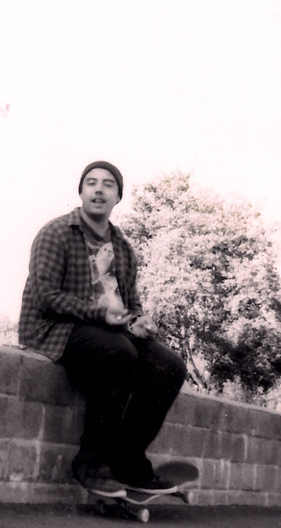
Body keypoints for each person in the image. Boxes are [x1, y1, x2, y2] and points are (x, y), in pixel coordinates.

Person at [18, 161, 187, 497]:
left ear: (118, 196)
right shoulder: (55, 233)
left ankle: (127, 460)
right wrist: (100, 314)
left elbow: (131, 303)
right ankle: (91, 463)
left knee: (170, 366)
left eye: (108, 184)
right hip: (56, 327)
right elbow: (46, 297)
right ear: (81, 192)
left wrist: (138, 321)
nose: (98, 189)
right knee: (118, 352)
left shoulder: (123, 247)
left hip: (108, 331)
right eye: (91, 183)